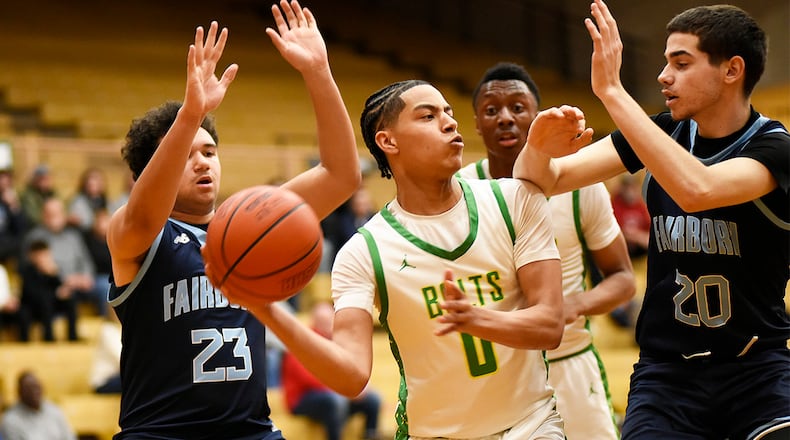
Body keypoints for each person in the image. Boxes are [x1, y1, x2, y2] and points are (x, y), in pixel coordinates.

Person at [212, 79, 566, 439]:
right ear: (388, 141)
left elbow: (550, 326)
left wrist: (477, 319)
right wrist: (266, 310)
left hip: (532, 425)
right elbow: (351, 376)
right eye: (427, 116)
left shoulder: (516, 200)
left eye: (449, 112)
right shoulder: (364, 251)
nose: (449, 123)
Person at [514, 1, 789, 438]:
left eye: (681, 63)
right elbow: (544, 180)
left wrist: (613, 92)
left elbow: (698, 190)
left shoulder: (775, 148)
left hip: (757, 372)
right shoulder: (660, 130)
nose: (664, 76)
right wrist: (537, 147)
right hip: (668, 377)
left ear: (732, 70)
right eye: (665, 63)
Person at [106, 0, 360, 437]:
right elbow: (144, 215)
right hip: (161, 433)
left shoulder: (249, 225)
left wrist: (319, 72)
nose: (203, 162)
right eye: (187, 155)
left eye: (209, 152)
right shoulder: (138, 232)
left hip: (252, 431)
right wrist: (190, 115)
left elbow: (341, 176)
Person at [459, 61, 635, 439]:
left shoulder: (582, 184)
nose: (505, 118)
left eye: (518, 108)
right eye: (492, 110)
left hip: (568, 362)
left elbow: (623, 279)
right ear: (476, 123)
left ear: (537, 118)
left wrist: (577, 304)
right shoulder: (460, 190)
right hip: (497, 372)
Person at [281, 302, 381, 440]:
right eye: (323, 321)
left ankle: (370, 436)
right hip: (302, 398)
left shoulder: (337, 340)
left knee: (373, 400)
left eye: (329, 321)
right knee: (336, 401)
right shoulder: (303, 339)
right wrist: (345, 390)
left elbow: (351, 367)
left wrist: (358, 388)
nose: (328, 325)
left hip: (334, 394)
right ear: (315, 321)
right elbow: (308, 378)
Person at [22, 197, 97, 320]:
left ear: (64, 215)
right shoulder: (34, 238)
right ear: (43, 215)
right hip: (51, 286)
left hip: (78, 283)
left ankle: (108, 330)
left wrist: (85, 277)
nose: (54, 218)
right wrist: (65, 279)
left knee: (105, 288)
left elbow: (86, 262)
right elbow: (33, 270)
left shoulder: (74, 237)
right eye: (50, 214)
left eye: (57, 213)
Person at [16, 239, 76, 342]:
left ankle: (73, 336)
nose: (42, 258)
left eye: (45, 255)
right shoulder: (26, 271)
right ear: (32, 256)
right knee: (45, 301)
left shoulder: (52, 269)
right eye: (39, 255)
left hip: (51, 303)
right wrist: (56, 294)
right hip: (32, 306)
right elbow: (30, 293)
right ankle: (48, 337)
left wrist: (53, 275)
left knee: (70, 300)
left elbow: (59, 287)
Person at [0, 370, 77, 440]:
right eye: (28, 389)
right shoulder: (11, 419)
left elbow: (69, 437)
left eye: (36, 387)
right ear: (19, 392)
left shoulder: (54, 410)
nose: (34, 392)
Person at [610, 173, 650, 259]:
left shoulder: (641, 206)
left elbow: (649, 234)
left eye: (633, 187)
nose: (630, 191)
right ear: (621, 188)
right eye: (627, 187)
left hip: (639, 249)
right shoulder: (614, 205)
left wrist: (638, 236)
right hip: (622, 246)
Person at [90, 309, 122, 394]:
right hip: (103, 382)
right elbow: (121, 358)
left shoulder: (124, 329)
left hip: (117, 377)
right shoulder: (107, 329)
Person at [67, 166, 109, 232]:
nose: (92, 182)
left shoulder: (107, 201)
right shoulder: (78, 201)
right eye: (90, 179)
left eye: (96, 179)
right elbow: (77, 219)